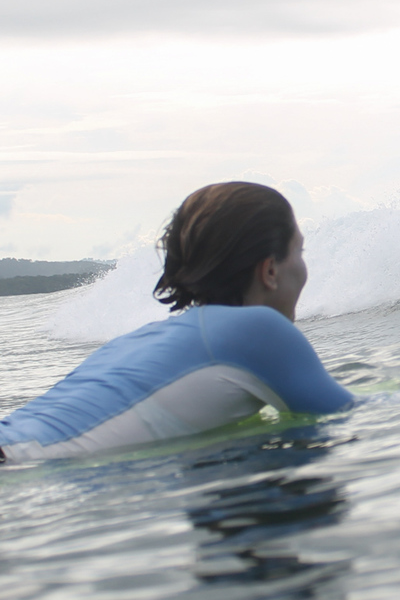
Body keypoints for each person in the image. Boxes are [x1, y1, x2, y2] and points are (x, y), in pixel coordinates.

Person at [0, 182, 356, 463]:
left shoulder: (135, 341)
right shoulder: (260, 329)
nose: (305, 267)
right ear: (270, 270)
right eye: (300, 252)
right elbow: (348, 417)